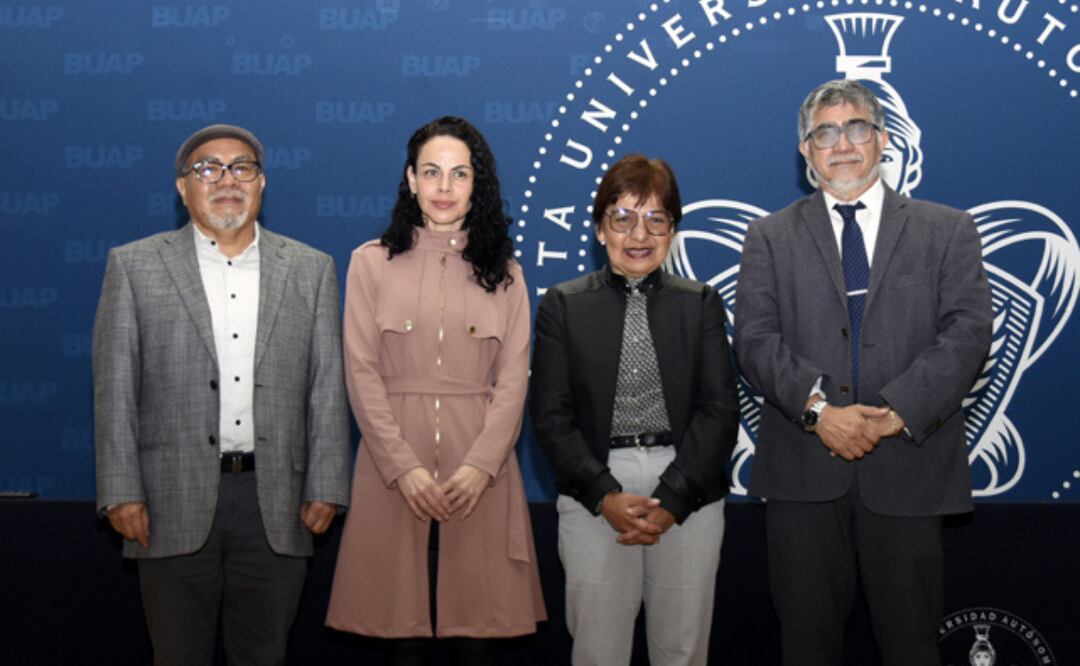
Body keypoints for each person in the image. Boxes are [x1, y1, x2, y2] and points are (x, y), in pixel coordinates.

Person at [734, 79, 993, 666]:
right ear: (805, 151)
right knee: (806, 648)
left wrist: (893, 414)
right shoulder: (768, 237)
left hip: (908, 472)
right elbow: (754, 340)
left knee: (911, 648)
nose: (842, 144)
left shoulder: (946, 229)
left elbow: (968, 333)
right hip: (803, 475)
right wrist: (820, 413)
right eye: (825, 132)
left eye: (856, 128)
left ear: (881, 140)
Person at [93, 123, 351, 665]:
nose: (226, 179)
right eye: (208, 168)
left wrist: (327, 484)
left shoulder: (311, 269)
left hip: (276, 503)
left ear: (262, 184)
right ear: (182, 188)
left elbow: (327, 385)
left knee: (264, 656)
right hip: (167, 503)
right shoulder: (134, 266)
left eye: (242, 167)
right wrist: (120, 490)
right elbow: (114, 385)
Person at [325, 116, 545, 664]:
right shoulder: (369, 263)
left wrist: (480, 467)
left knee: (477, 644)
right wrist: (403, 468)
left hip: (482, 482)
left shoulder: (509, 274)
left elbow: (514, 380)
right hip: (391, 475)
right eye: (432, 172)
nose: (445, 188)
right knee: (401, 645)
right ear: (411, 179)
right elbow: (361, 373)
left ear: (479, 184)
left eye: (460, 174)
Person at [531, 154, 740, 666]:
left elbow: (719, 411)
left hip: (688, 486)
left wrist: (672, 499)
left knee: (682, 651)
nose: (638, 233)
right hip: (596, 491)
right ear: (601, 229)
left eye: (656, 219)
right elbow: (551, 417)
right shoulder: (563, 304)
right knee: (598, 651)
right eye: (622, 217)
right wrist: (604, 495)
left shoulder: (701, 303)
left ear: (674, 231)